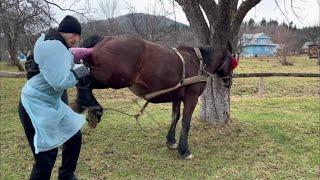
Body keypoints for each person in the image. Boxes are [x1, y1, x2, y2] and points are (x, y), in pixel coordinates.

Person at [18, 15, 92, 180]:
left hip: (49, 102)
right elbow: (60, 81)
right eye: (75, 34)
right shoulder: (53, 46)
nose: (77, 39)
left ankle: (66, 175)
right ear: (66, 32)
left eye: (78, 35)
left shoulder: (55, 43)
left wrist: (80, 62)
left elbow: (61, 64)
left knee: (74, 136)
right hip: (34, 105)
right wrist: (81, 71)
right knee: (45, 156)